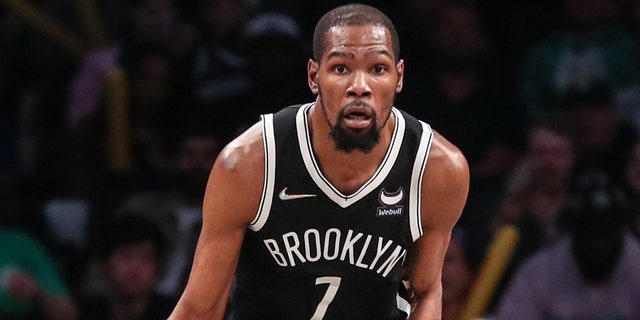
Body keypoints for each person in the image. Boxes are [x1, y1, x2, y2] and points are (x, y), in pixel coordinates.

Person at [168, 3, 470, 319]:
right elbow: (201, 307)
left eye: (378, 69)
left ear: (399, 77)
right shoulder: (250, 162)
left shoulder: (437, 168)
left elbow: (425, 291)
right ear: (314, 76)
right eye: (341, 68)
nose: (359, 87)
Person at [494, 176, 640, 319]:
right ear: (575, 231)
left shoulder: (636, 264)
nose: (597, 244)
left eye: (606, 233)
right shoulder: (542, 269)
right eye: (590, 231)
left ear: (621, 228)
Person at [78, 213, 178, 320]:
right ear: (104, 266)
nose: (134, 268)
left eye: (145, 258)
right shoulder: (83, 313)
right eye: (125, 257)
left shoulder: (178, 313)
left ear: (160, 267)